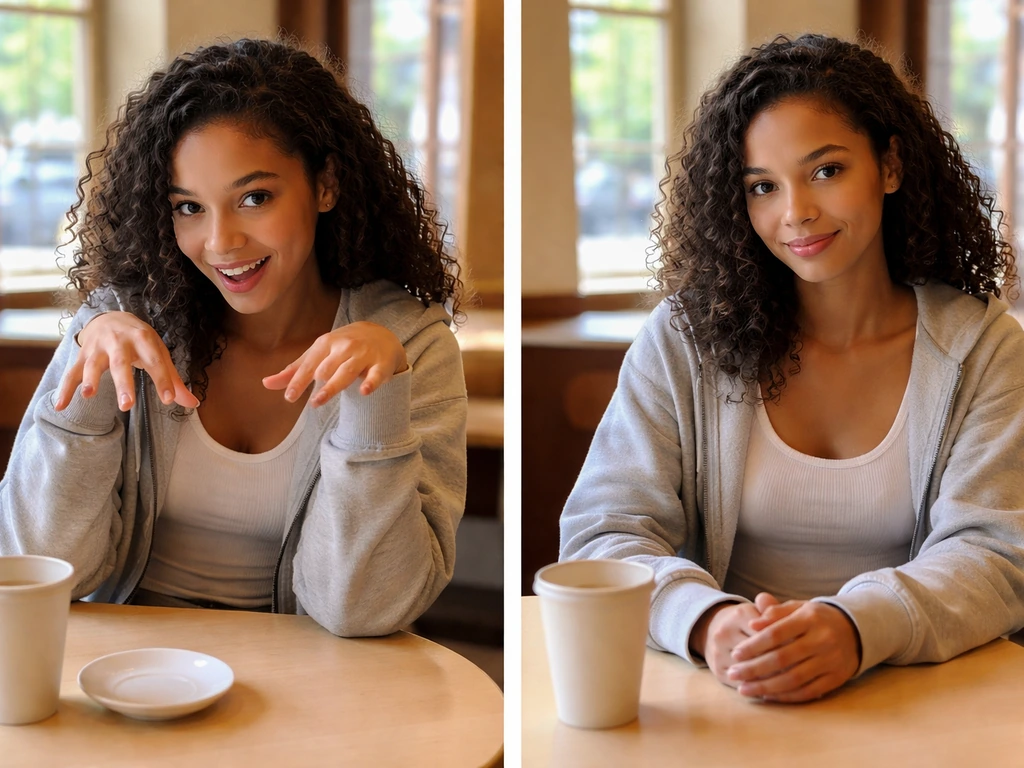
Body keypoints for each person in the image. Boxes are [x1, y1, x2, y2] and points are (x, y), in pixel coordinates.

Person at [560, 33, 1024, 703]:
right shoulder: (685, 340)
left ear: (890, 165)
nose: (795, 212)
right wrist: (706, 621)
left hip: (925, 698)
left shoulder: (984, 349)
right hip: (726, 692)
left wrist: (854, 626)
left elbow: (999, 555)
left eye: (826, 170)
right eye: (762, 187)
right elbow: (603, 531)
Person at [0, 38, 468, 638]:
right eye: (189, 207)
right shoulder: (115, 328)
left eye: (255, 198)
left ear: (326, 185)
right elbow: (41, 568)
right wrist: (89, 397)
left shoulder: (409, 346)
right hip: (128, 669)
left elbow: (364, 608)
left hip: (315, 678)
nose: (221, 242)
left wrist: (374, 403)